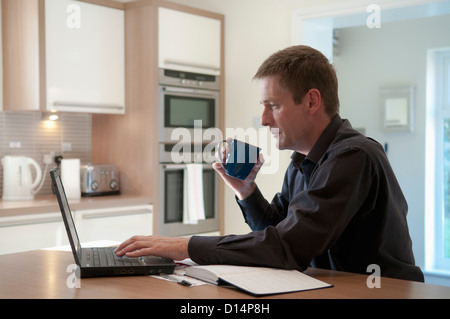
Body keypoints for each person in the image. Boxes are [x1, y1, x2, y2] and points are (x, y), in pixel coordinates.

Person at [115, 45, 424, 282]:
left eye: (273, 106)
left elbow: (287, 247)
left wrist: (185, 246)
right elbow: (279, 229)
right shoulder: (303, 159)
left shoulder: (353, 157)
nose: (263, 120)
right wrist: (247, 191)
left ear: (312, 101)